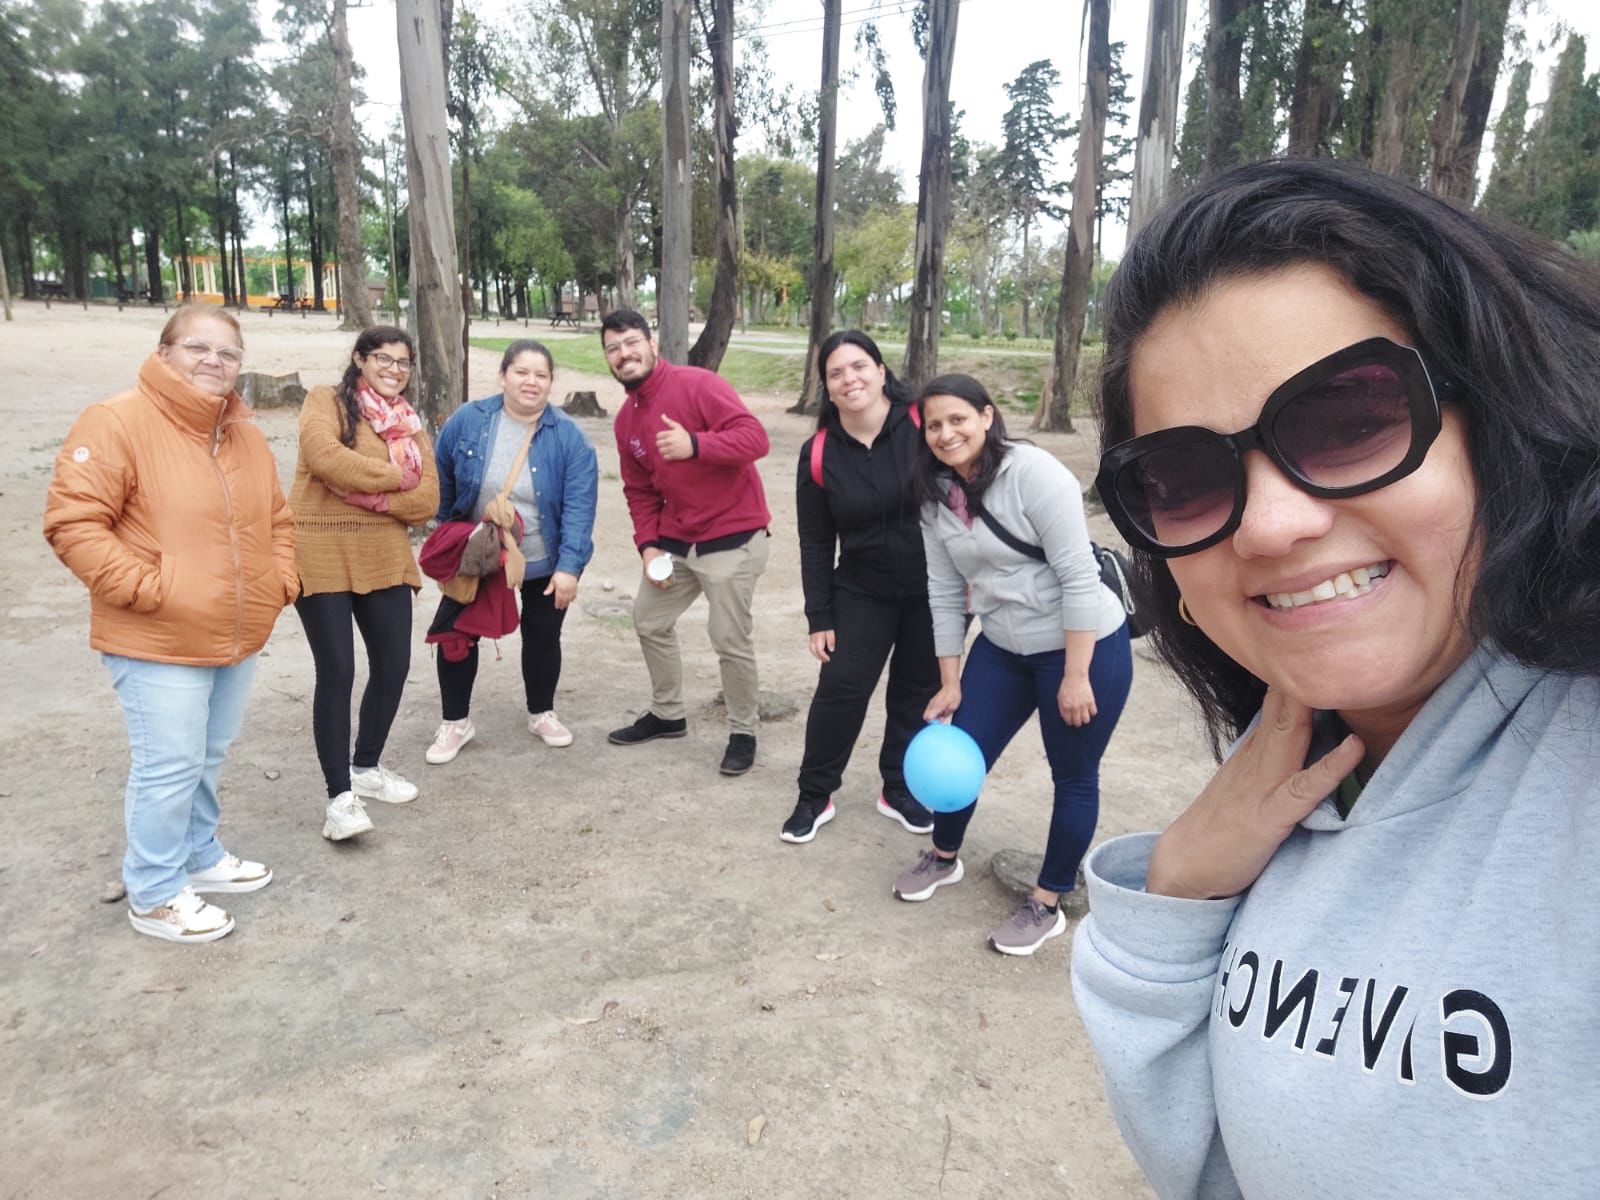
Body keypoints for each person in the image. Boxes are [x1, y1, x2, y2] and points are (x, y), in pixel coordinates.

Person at [1070, 159, 1600, 1198]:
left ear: (1499, 421)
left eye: (1349, 419)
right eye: (1180, 478)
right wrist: (1173, 896)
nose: (1269, 524)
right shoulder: (1279, 777)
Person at [43, 305, 297, 943]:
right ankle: (154, 891)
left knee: (206, 754)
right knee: (169, 762)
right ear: (164, 353)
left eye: (229, 352)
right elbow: (73, 523)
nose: (214, 361)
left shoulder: (243, 434)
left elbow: (279, 521)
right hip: (155, 634)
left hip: (236, 630)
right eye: (198, 347)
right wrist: (152, 589)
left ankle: (198, 853)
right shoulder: (116, 421)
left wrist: (280, 583)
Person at [894, 374, 1131, 956]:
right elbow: (943, 589)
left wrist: (1076, 676)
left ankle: (1047, 901)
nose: (946, 434)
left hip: (1081, 644)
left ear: (987, 416)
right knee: (963, 754)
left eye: (958, 419)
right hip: (1001, 644)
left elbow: (1077, 576)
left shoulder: (1036, 475)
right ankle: (943, 856)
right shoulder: (935, 493)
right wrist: (950, 680)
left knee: (1073, 776)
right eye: (934, 425)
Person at [601, 310, 772, 776]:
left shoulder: (697, 384)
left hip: (733, 536)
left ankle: (743, 730)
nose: (624, 354)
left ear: (652, 343)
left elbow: (755, 439)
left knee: (728, 637)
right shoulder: (625, 421)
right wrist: (648, 547)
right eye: (613, 348)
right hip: (677, 542)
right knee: (648, 620)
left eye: (631, 343)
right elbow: (638, 491)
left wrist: (697, 444)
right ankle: (668, 714)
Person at [784, 331, 939, 843]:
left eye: (859, 366)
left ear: (880, 370)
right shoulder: (819, 453)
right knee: (842, 689)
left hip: (933, 590)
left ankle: (899, 788)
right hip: (860, 591)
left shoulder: (924, 425)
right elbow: (814, 542)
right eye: (835, 373)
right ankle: (814, 793)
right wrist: (819, 617)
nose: (849, 379)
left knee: (916, 692)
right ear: (826, 389)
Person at [289, 326, 439, 841]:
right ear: (359, 358)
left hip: (384, 553)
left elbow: (428, 502)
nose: (393, 369)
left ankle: (366, 766)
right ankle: (340, 799)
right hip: (321, 548)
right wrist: (397, 477)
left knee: (394, 665)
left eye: (403, 362)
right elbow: (322, 456)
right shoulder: (326, 400)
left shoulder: (409, 424)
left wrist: (363, 489)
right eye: (382, 358)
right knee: (338, 671)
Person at [426, 339, 597, 763]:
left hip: (541, 558)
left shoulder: (568, 438)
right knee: (455, 635)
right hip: (478, 554)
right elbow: (441, 473)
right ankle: (455, 723)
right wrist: (449, 533)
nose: (531, 382)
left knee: (543, 638)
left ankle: (541, 712)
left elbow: (580, 504)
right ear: (503, 376)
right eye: (521, 372)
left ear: (551, 384)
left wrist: (569, 568)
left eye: (541, 375)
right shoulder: (470, 419)